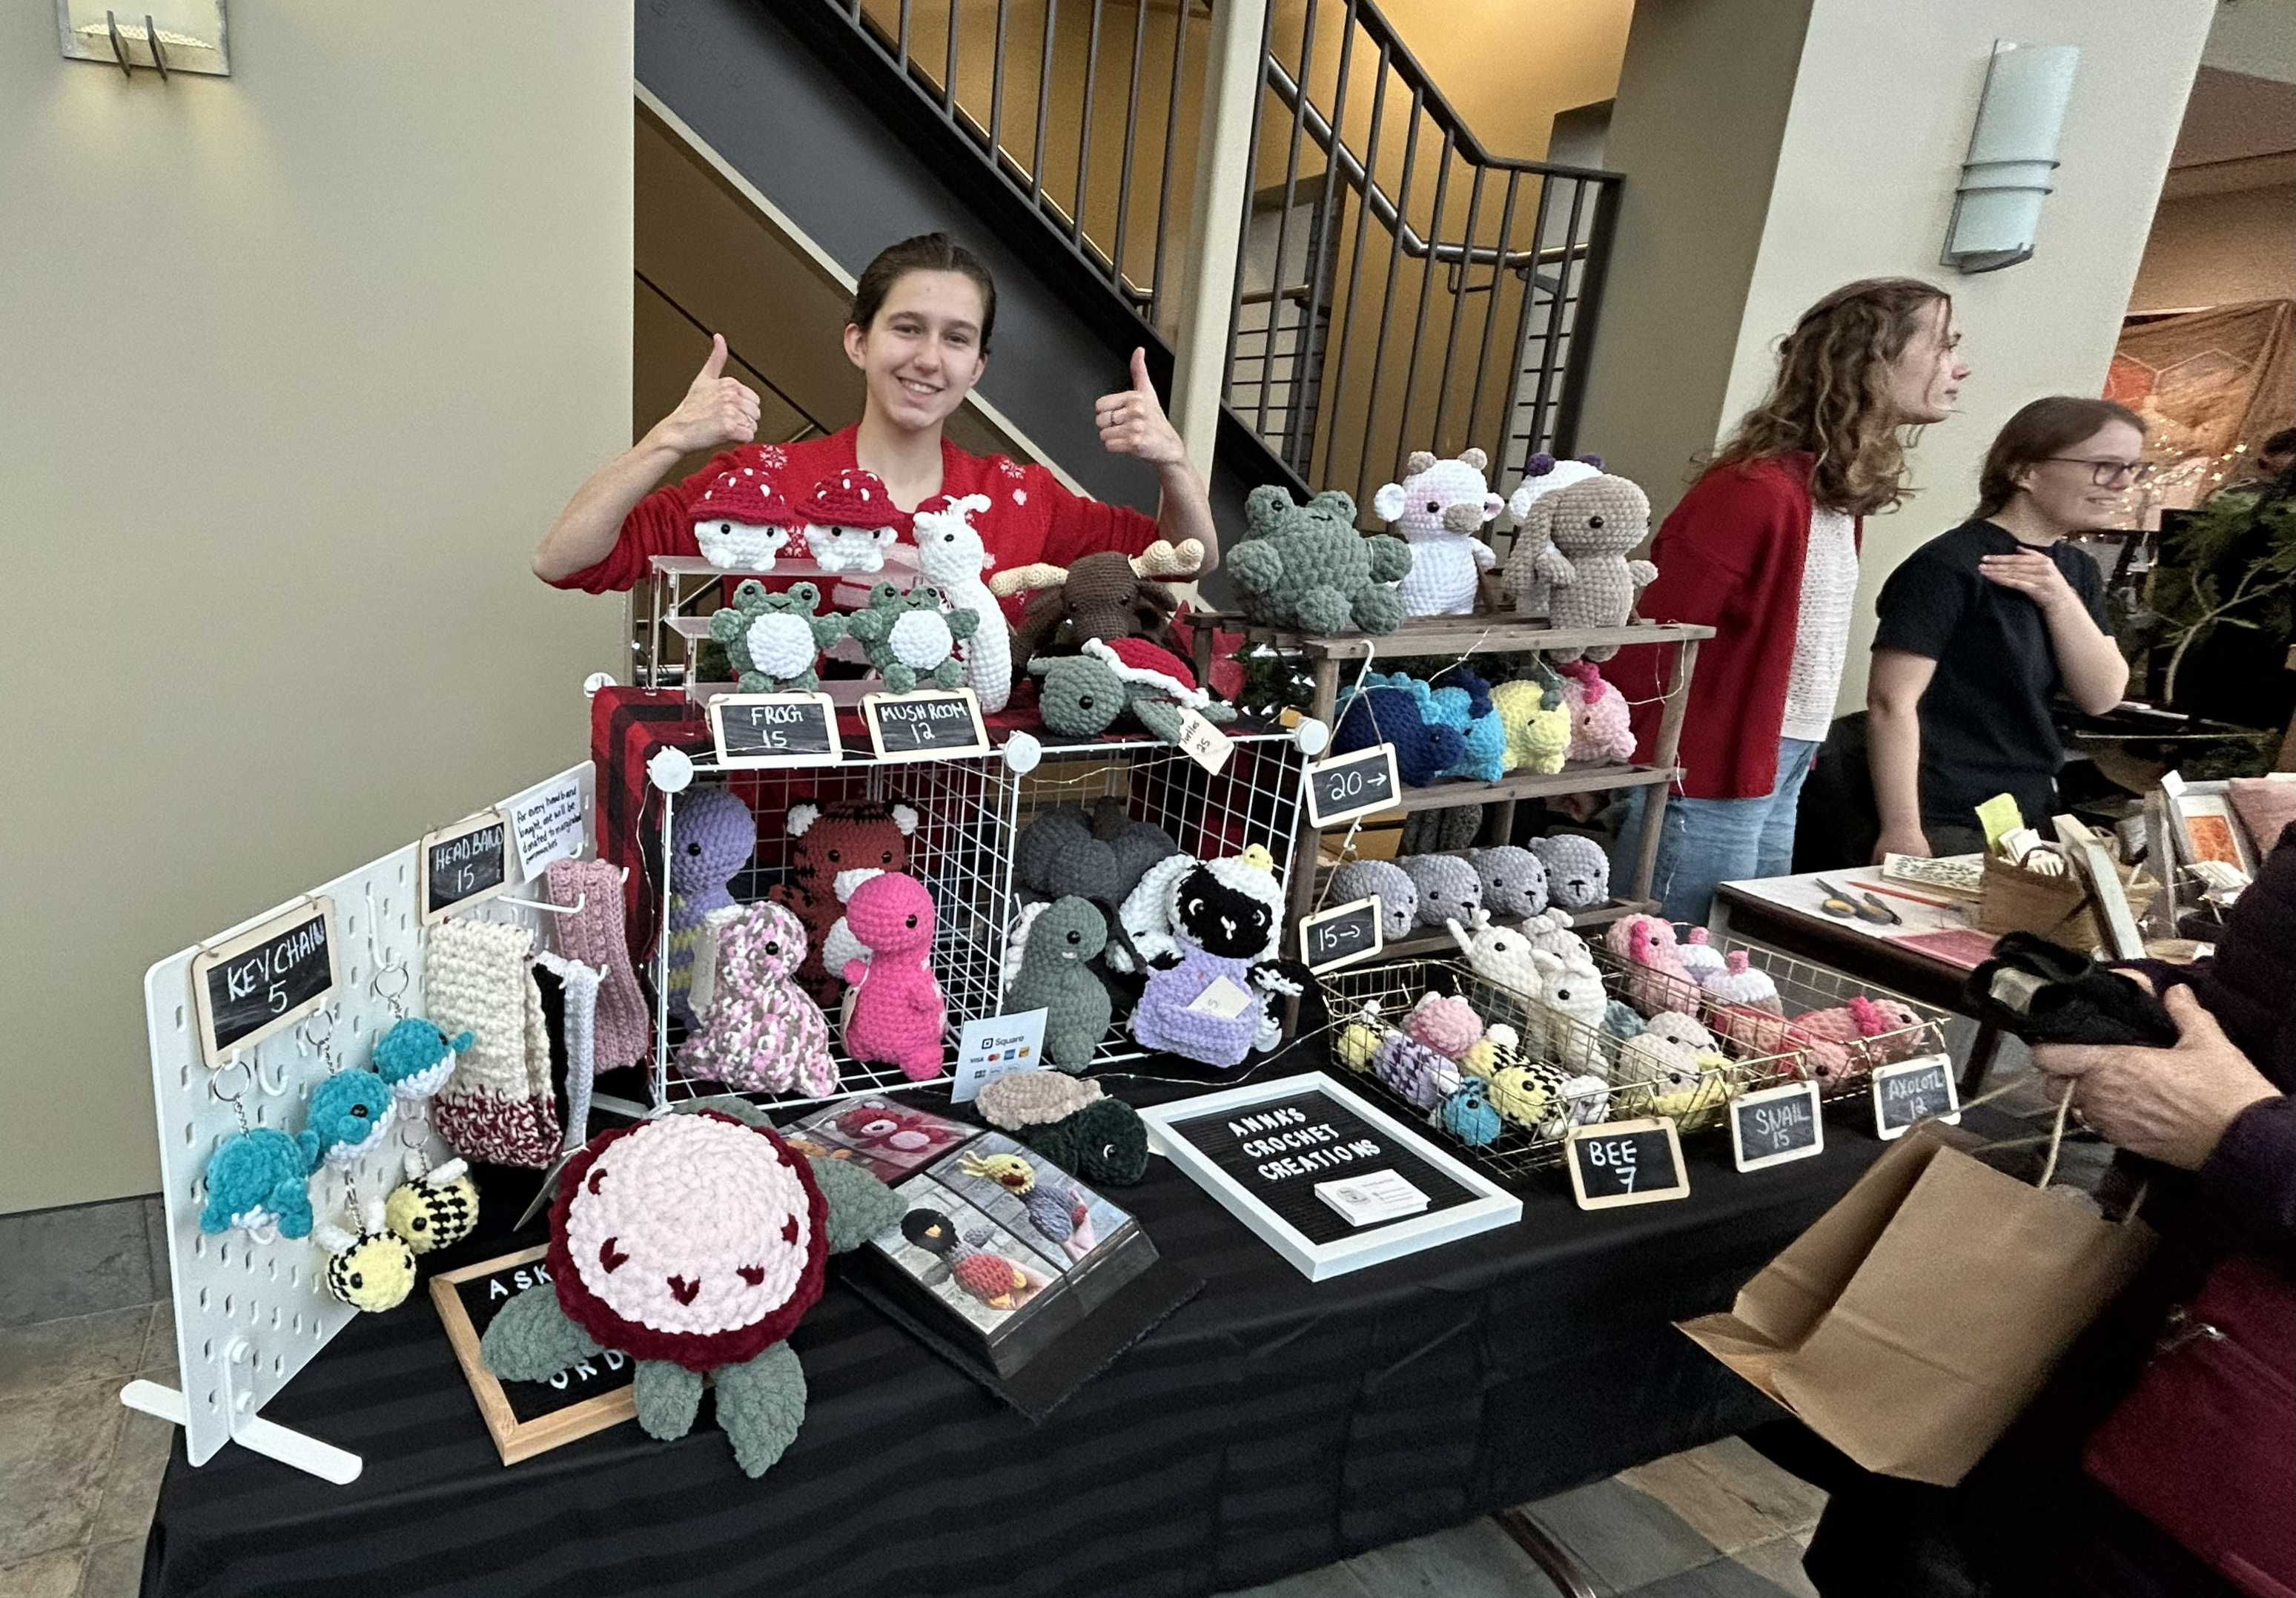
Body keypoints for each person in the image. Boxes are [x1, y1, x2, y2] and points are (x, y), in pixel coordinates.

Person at [1781, 822, 2294, 1598]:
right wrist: (2137, 1009)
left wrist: (2236, 1132)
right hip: (2107, 1325)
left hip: (2234, 1449)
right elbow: (2256, 1006)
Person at [532, 231, 1216, 598]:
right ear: (859, 341)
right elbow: (563, 560)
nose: (928, 358)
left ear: (976, 367)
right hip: (768, 834)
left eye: (955, 339)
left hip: (958, 840)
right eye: (907, 328)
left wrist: (1174, 463)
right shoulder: (763, 481)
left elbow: (1184, 562)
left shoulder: (1018, 496)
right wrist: (667, 438)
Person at [1609, 278, 1968, 922]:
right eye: (1943, 346)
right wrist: (1616, 755)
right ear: (1874, 355)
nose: (1957, 366)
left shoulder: (1828, 492)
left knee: (1726, 954)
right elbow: (1654, 633)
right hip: (1713, 766)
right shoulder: (1753, 491)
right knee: (1669, 961)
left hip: (1781, 759)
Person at [1866, 397, 2136, 860]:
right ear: (2024, 472)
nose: (2122, 483)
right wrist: (1902, 829)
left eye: (2132, 468)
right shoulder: (1947, 565)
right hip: (1944, 812)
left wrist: (2059, 597)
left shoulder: (2076, 570)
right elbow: (1891, 701)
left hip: (2027, 812)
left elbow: (2103, 694)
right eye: (2104, 466)